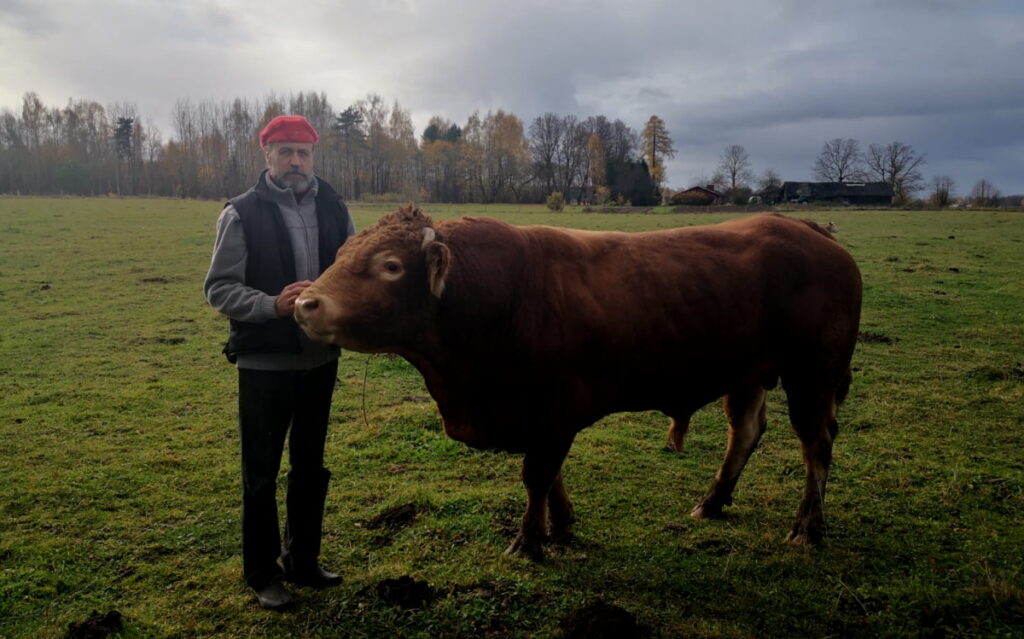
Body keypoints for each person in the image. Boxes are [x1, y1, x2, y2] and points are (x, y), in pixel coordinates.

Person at [204, 115, 355, 610]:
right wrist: (273, 304)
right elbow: (219, 289)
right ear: (266, 155)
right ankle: (262, 573)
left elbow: (353, 276)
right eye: (286, 152)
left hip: (319, 360)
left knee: (310, 466)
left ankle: (304, 561)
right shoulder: (241, 213)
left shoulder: (335, 206)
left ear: (314, 157)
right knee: (261, 473)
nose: (296, 161)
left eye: (304, 153)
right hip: (265, 363)